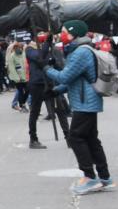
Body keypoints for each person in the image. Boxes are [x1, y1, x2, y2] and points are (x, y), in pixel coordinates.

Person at [46, 21, 113, 193]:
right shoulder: (82, 50)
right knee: (91, 139)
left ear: (73, 33)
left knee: (75, 137)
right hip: (88, 101)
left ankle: (90, 177)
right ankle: (104, 177)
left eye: (64, 31)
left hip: (85, 103)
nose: (61, 34)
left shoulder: (80, 52)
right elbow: (76, 79)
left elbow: (65, 76)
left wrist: (46, 68)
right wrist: (56, 91)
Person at [27, 35, 70, 149]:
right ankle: (33, 139)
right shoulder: (30, 49)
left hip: (50, 83)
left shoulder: (49, 48)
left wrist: (55, 63)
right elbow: (40, 57)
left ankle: (69, 137)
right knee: (35, 112)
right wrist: (47, 44)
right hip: (37, 84)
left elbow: (55, 64)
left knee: (60, 110)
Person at [7, 41, 30, 111]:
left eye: (19, 48)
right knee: (20, 92)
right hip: (17, 78)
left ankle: (22, 103)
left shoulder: (24, 54)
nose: (18, 49)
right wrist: (17, 78)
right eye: (16, 48)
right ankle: (22, 105)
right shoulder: (12, 56)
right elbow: (11, 68)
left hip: (25, 76)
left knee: (28, 90)